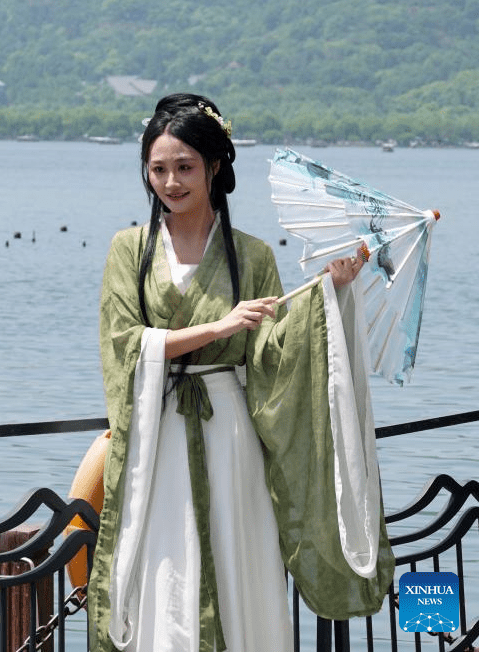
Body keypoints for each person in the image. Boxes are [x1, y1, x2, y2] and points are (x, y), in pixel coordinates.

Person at [87, 95, 393, 651]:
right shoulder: (128, 250)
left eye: (185, 167)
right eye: (158, 169)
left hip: (229, 433)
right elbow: (124, 346)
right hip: (158, 440)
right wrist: (216, 329)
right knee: (165, 568)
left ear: (215, 167)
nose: (171, 182)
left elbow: (274, 353)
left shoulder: (250, 257)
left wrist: (332, 293)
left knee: (236, 560)